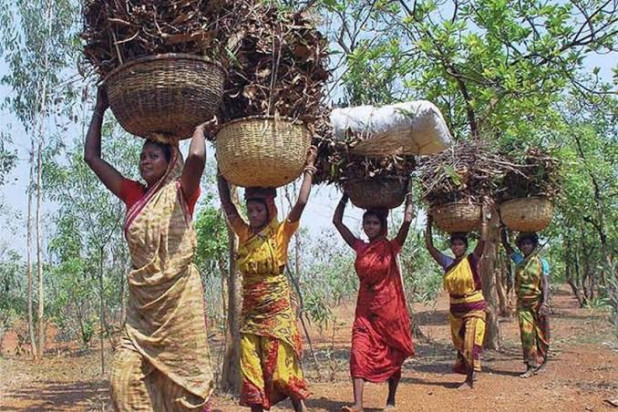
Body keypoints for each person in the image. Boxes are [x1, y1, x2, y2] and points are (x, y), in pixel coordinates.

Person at [84, 88, 213, 410]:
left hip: (178, 302)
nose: (145, 161)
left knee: (184, 388)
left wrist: (199, 127)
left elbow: (196, 159)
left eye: (153, 156)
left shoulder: (182, 192)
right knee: (123, 379)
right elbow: (92, 158)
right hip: (142, 311)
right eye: (143, 156)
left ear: (170, 162)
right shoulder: (133, 195)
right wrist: (100, 110)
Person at [217, 147, 318, 412]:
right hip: (251, 314)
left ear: (269, 210)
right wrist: (220, 172)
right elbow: (228, 206)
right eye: (250, 210)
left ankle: (300, 409)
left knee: (283, 368)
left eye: (258, 210)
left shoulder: (281, 233)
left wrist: (309, 168)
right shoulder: (243, 233)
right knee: (252, 371)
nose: (252, 214)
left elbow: (300, 203)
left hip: (277, 312)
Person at [333, 191, 415, 412]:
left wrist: (409, 195)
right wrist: (345, 196)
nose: (370, 226)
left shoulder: (391, 246)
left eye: (374, 223)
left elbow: (407, 221)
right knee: (358, 352)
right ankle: (358, 404)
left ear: (382, 226)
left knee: (392, 355)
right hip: (365, 312)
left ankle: (391, 399)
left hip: (389, 312)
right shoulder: (360, 247)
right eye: (367, 223)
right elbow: (337, 221)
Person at [424, 198, 492, 389]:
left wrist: (484, 216)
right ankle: (470, 373)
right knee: (461, 345)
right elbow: (430, 247)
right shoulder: (448, 263)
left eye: (460, 244)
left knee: (470, 344)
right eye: (454, 245)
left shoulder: (472, 260)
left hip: (474, 307)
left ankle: (469, 381)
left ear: (465, 246)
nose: (456, 247)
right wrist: (429, 222)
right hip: (456, 311)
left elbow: (483, 240)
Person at [500, 229, 550, 378]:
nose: (526, 246)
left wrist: (545, 303)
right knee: (526, 334)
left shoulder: (541, 262)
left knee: (542, 335)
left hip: (538, 303)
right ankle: (530, 365)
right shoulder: (519, 260)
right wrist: (502, 227)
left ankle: (542, 361)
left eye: (528, 243)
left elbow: (545, 284)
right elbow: (505, 244)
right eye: (523, 244)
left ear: (533, 245)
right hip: (523, 304)